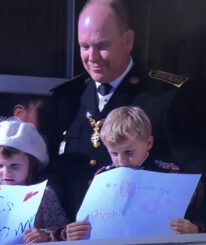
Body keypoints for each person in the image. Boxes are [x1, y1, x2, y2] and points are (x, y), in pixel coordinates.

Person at [50, 0, 205, 221]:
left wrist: (196, 227)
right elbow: (54, 175)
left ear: (128, 40)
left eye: (102, 45)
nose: (92, 57)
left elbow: (195, 176)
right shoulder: (67, 97)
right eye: (84, 46)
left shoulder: (168, 96)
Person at [52, 106, 205, 241]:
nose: (122, 160)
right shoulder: (102, 178)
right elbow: (90, 221)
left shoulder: (171, 175)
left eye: (129, 152)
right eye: (114, 153)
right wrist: (69, 233)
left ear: (149, 143)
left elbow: (197, 218)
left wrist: (195, 230)